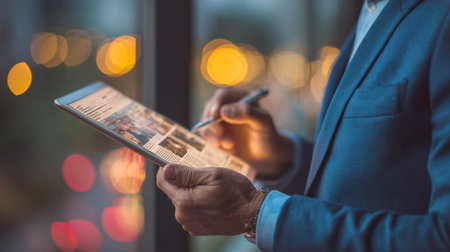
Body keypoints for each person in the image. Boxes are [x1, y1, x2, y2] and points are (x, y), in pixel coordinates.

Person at [156, 0, 450, 251]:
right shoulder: (372, 11)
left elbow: (442, 237)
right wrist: (281, 158)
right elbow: (377, 183)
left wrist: (257, 214)